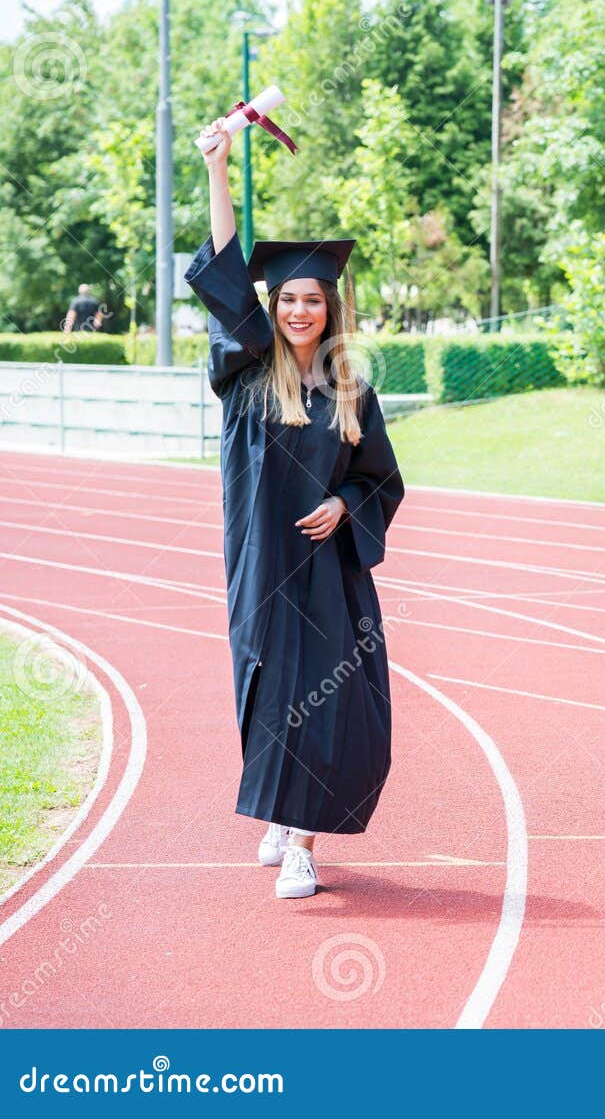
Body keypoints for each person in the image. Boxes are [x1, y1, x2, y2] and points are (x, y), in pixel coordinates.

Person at [185, 116, 405, 899]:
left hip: (329, 577)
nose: (300, 310)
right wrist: (219, 169)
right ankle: (281, 814)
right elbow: (225, 270)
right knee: (266, 689)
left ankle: (305, 842)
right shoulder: (246, 371)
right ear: (273, 306)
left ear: (329, 308)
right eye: (289, 299)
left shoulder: (352, 391)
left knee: (337, 700)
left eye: (313, 299)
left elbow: (382, 480)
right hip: (260, 565)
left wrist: (347, 506)